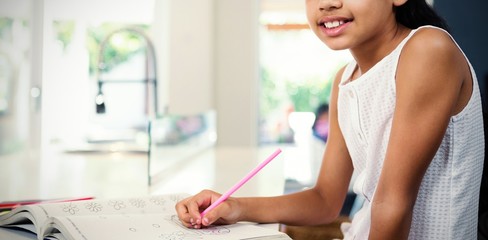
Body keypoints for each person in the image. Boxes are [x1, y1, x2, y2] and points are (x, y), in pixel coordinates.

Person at [176, 0, 485, 239]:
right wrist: (234, 207)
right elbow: (325, 200)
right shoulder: (345, 81)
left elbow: (392, 203)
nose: (327, 3)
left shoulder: (428, 49)